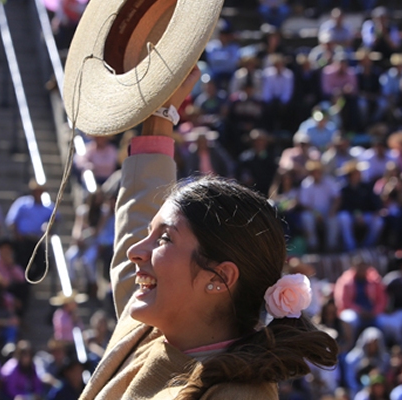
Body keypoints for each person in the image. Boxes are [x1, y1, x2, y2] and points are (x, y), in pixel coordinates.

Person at [75, 66, 338, 399]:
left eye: (164, 238)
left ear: (220, 277)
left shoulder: (238, 394)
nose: (135, 251)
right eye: (150, 233)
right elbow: (138, 213)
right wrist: (160, 113)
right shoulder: (155, 324)